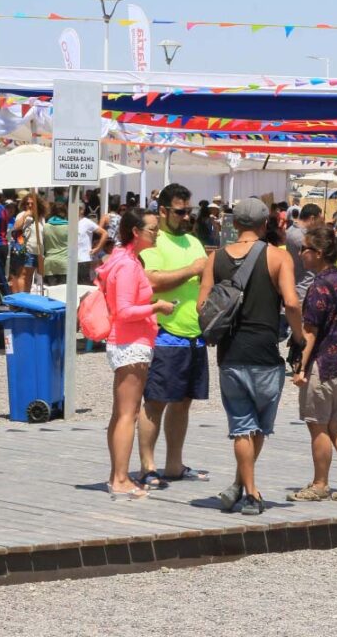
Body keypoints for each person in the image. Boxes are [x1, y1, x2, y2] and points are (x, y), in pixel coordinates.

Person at [199, 198, 304, 515]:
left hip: (230, 353)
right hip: (265, 351)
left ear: (235, 224)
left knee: (244, 426)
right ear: (264, 224)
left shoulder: (215, 259)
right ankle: (253, 494)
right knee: (255, 428)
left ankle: (238, 484)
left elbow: (201, 307)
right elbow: (292, 303)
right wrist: (299, 336)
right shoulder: (277, 257)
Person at [97, 208, 174, 501]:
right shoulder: (128, 265)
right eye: (152, 229)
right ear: (135, 232)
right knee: (127, 414)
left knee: (121, 414)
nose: (157, 233)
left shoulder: (121, 259)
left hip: (127, 342)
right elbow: (125, 311)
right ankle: (120, 478)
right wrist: (156, 307)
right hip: (131, 342)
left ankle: (117, 474)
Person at [138, 183, 211, 489]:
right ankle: (147, 466)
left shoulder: (194, 241)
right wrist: (191, 269)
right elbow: (152, 282)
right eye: (179, 212)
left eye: (188, 211)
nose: (185, 217)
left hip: (195, 334)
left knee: (183, 403)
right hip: (165, 333)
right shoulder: (154, 242)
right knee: (155, 402)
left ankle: (174, 464)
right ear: (164, 211)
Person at [289, 227, 337, 501]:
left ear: (318, 253)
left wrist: (301, 368)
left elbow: (310, 332)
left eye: (305, 249)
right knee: (336, 424)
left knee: (318, 425)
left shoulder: (319, 285)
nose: (301, 254)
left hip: (322, 364)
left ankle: (320, 484)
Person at [285, 203, 323, 300]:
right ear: (312, 219)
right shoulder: (303, 237)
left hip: (297, 285)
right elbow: (315, 264)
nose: (320, 225)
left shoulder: (290, 230)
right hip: (304, 289)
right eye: (320, 221)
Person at [41, 201, 71, 287]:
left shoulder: (46, 226)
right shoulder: (70, 227)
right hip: (64, 263)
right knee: (63, 294)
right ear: (65, 212)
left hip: (49, 263)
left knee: (51, 294)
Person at [76, 205, 107, 286]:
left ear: (82, 210)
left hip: (83, 259)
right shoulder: (69, 222)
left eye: (77, 209)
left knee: (83, 285)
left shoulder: (86, 222)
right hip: (71, 259)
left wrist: (98, 248)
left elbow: (104, 233)